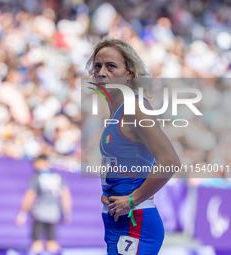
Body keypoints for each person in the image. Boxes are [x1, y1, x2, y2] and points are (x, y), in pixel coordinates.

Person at [86, 37, 181, 255]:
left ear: (129, 73)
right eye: (97, 66)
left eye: (111, 66)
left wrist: (132, 199)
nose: (101, 72)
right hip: (117, 222)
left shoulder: (135, 107)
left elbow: (170, 161)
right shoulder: (118, 110)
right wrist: (110, 193)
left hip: (135, 222)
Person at [16, 154, 72, 255]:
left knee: (36, 244)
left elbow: (30, 196)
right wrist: (67, 212)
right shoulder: (58, 177)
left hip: (39, 213)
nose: (34, 165)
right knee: (52, 243)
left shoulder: (37, 177)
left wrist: (22, 213)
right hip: (54, 214)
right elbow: (65, 195)